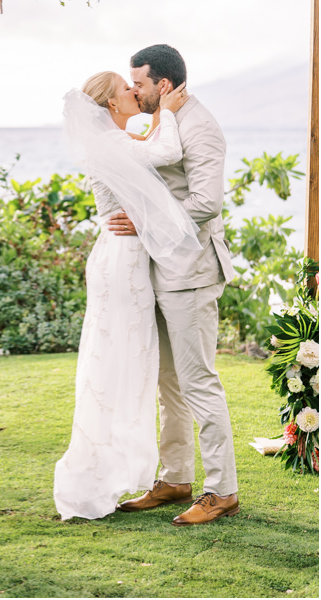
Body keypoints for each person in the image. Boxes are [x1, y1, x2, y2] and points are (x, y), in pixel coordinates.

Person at [53, 70, 193, 521]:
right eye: (126, 90)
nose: (135, 92)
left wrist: (156, 122)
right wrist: (169, 112)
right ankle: (94, 476)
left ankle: (111, 472)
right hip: (122, 262)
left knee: (124, 364)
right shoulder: (112, 145)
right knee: (119, 366)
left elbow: (146, 151)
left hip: (121, 256)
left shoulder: (113, 141)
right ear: (112, 105)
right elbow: (166, 151)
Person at [109, 44, 239, 526]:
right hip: (159, 271)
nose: (133, 91)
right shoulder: (162, 118)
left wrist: (143, 224)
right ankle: (175, 477)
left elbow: (205, 202)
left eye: (138, 83)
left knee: (199, 381)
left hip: (192, 273)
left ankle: (221, 490)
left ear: (162, 84)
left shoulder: (201, 126)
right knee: (168, 383)